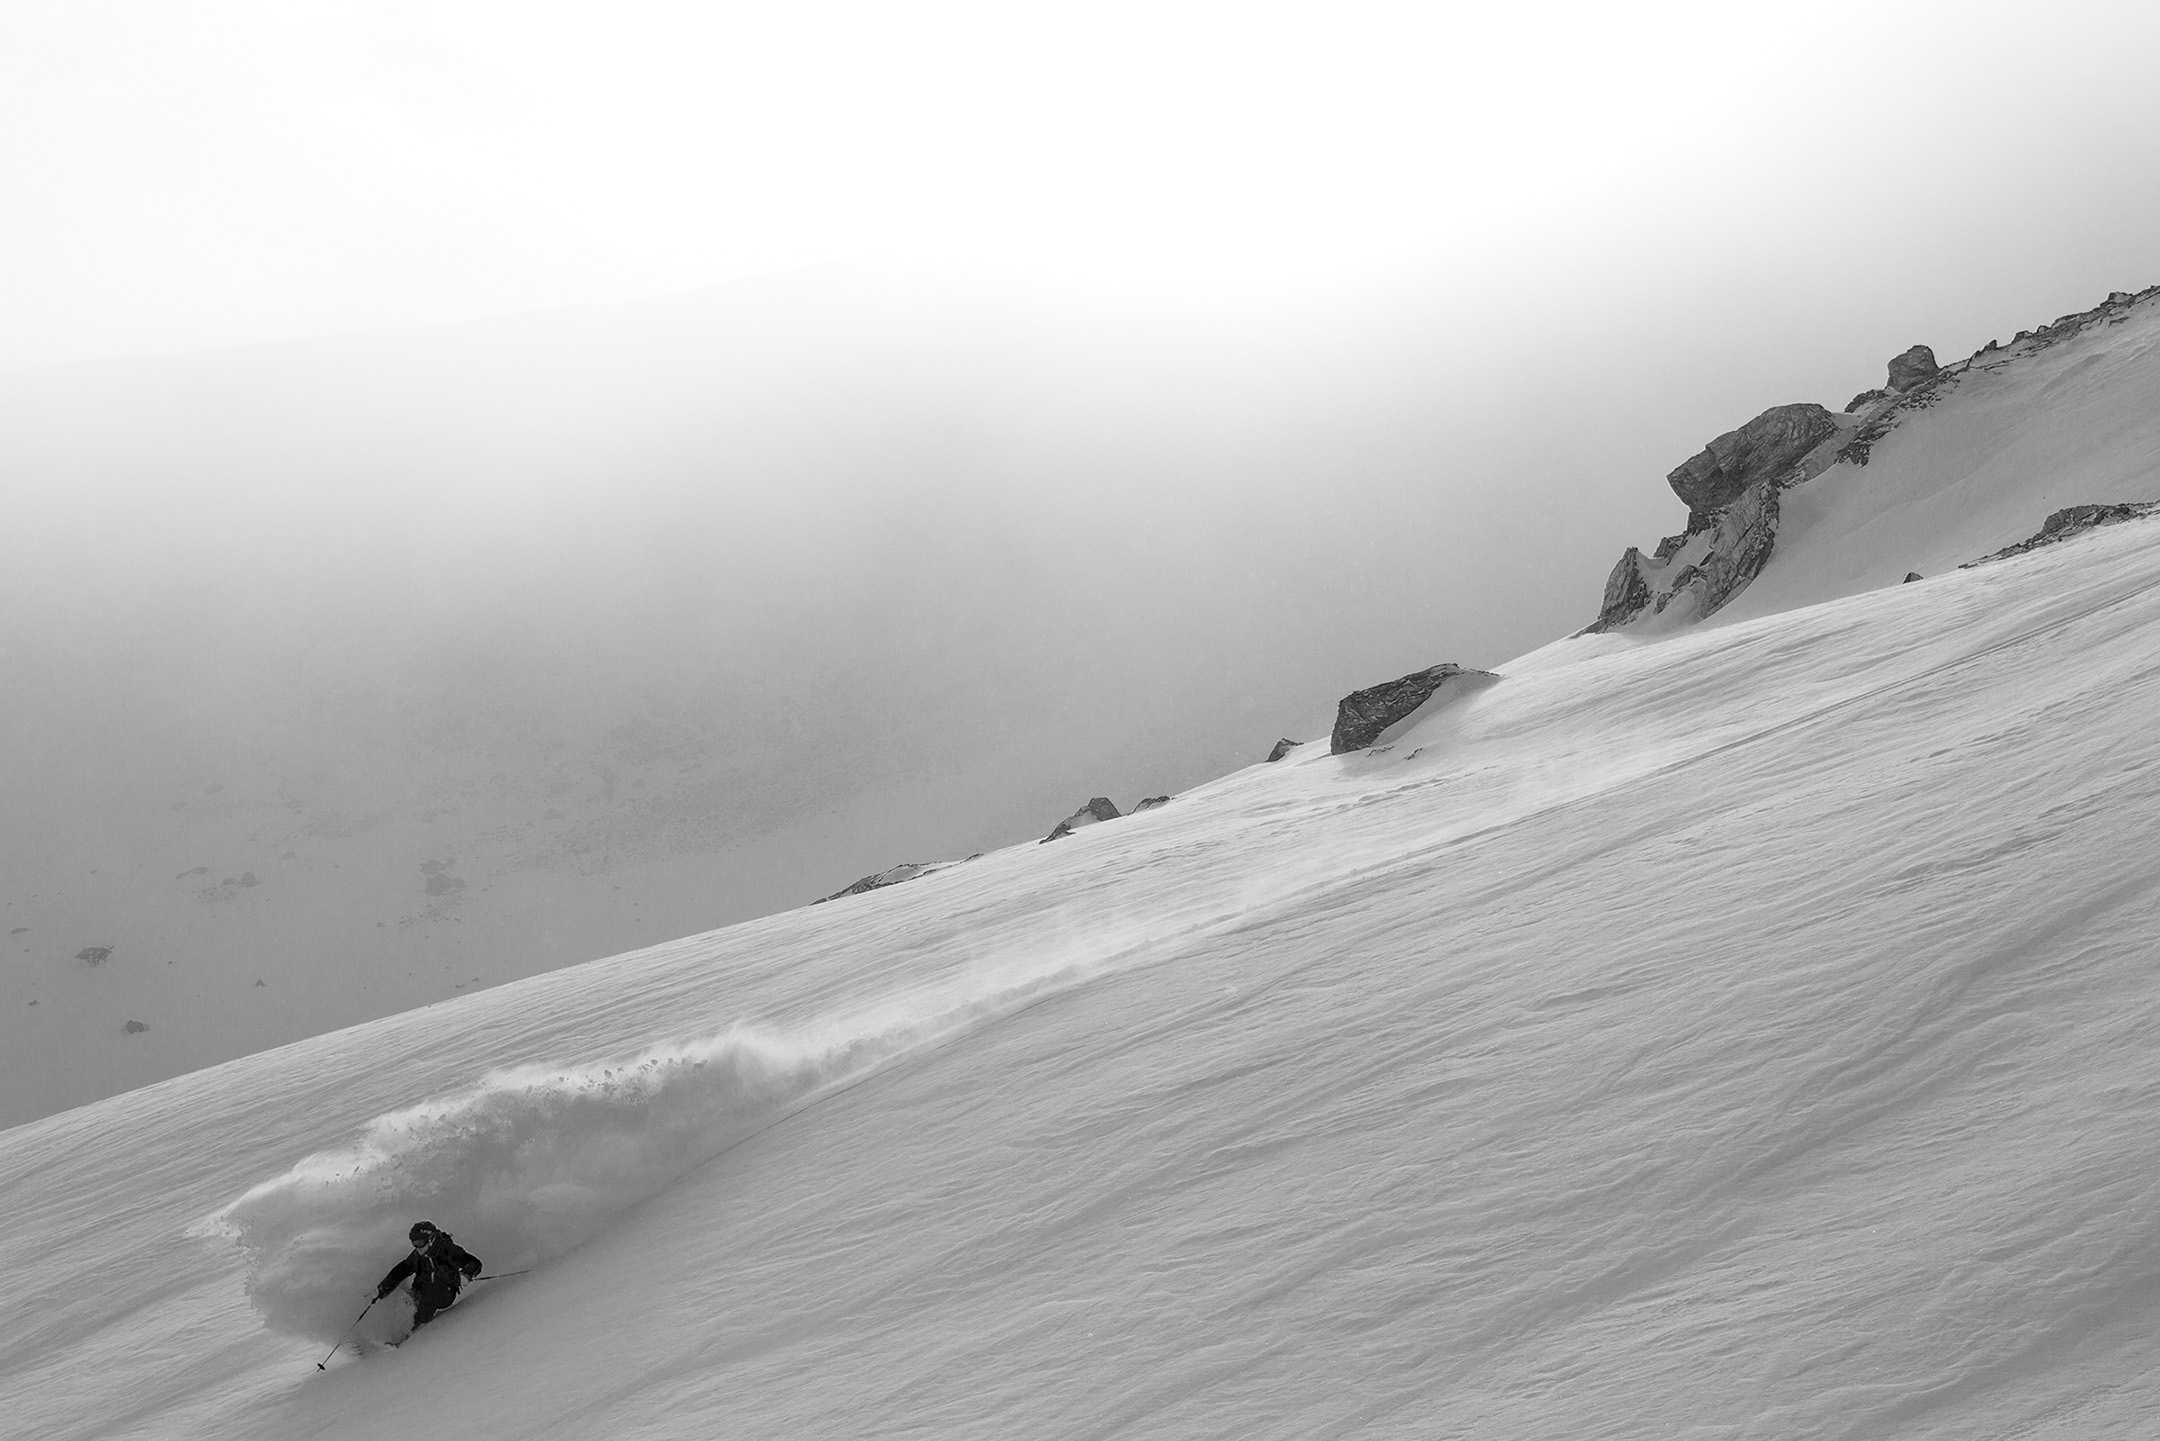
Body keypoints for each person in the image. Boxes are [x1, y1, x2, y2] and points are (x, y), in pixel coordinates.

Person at [374, 1221, 483, 1329]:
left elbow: (475, 1264)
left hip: (444, 1294)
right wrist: (384, 1287)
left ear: (431, 1239)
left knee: (433, 1286)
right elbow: (404, 1268)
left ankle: (418, 1327)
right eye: (414, 1244)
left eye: (420, 1243)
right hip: (421, 1292)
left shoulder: (447, 1249)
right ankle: (394, 1329)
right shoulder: (419, 1254)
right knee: (403, 1298)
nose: (418, 1247)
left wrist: (462, 1277)